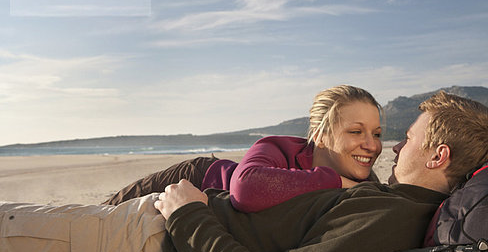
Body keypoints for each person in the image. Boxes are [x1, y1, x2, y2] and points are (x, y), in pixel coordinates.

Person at [0, 91, 488, 252]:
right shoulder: (388, 199)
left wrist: (187, 216)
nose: (394, 146)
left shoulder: (393, 216)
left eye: (407, 137)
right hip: (151, 233)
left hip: (146, 247)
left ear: (438, 155)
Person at [103, 85, 383, 213]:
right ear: (320, 136)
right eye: (356, 132)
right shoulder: (278, 147)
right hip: (196, 178)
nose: (371, 145)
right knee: (99, 214)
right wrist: (334, 181)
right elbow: (246, 190)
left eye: (378, 133)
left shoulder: (366, 182)